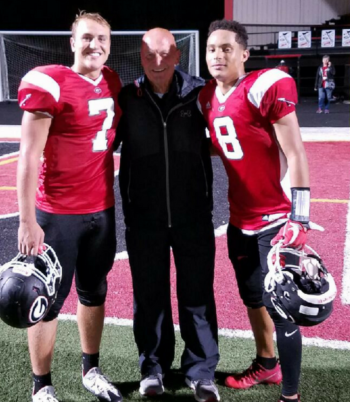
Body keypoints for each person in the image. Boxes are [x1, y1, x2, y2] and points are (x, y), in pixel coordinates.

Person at [199, 19, 312, 402]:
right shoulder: (206, 98)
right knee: (253, 298)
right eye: (212, 48)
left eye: (226, 48)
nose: (218, 55)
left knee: (283, 306)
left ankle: (291, 395)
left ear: (244, 54)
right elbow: (228, 143)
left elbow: (295, 151)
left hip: (277, 219)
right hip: (239, 219)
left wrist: (300, 215)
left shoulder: (263, 86)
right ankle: (267, 364)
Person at [16, 11, 123, 402]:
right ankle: (41, 386)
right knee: (45, 301)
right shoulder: (51, 82)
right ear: (72, 42)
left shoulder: (111, 80)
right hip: (57, 213)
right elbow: (28, 156)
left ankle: (90, 369)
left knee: (94, 292)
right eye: (87, 38)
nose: (95, 45)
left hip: (102, 209)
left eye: (102, 40)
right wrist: (27, 219)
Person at [114, 28, 221, 402]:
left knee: (197, 294)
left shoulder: (200, 94)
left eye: (164, 55)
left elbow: (230, 132)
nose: (157, 63)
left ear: (178, 54)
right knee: (149, 296)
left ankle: (201, 371)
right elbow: (97, 142)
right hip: (143, 219)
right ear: (140, 59)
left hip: (193, 215)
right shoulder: (127, 98)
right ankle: (153, 368)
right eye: (148, 56)